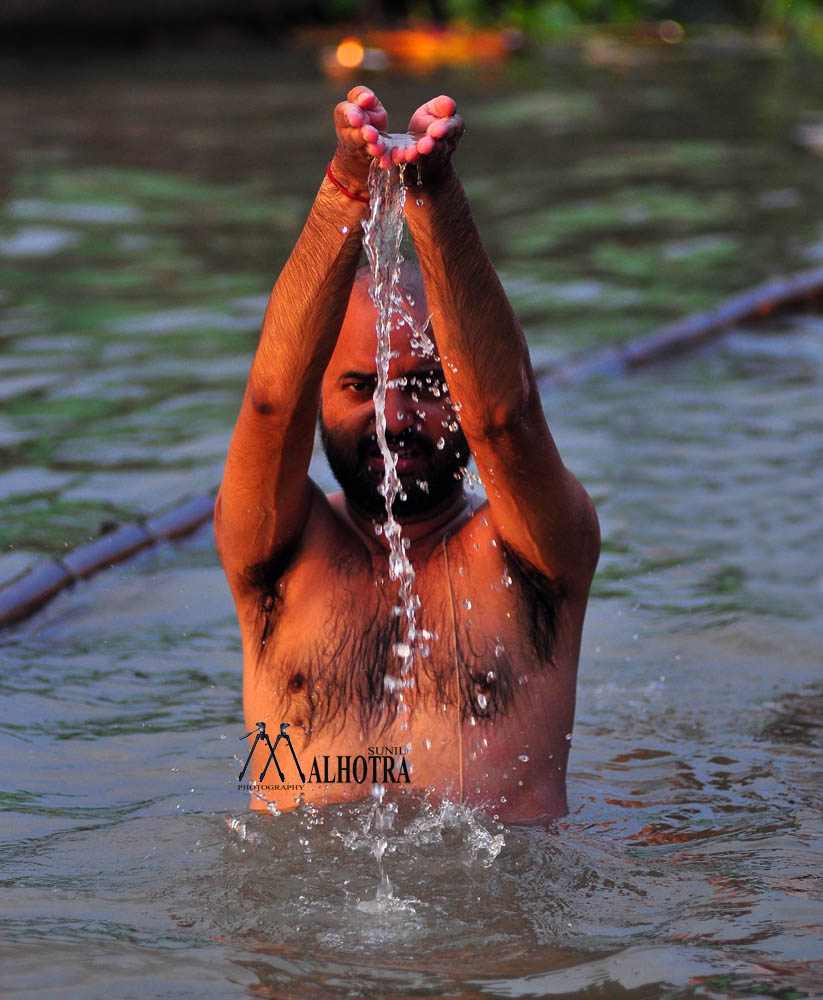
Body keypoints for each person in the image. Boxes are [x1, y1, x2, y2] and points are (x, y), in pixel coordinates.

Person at [216, 86, 600, 823]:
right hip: (302, 926)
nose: (394, 417)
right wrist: (344, 190)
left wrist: (434, 195)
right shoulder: (272, 551)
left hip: (495, 927)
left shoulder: (537, 553)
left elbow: (505, 419)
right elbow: (271, 405)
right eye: (360, 386)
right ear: (321, 400)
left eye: (423, 385)